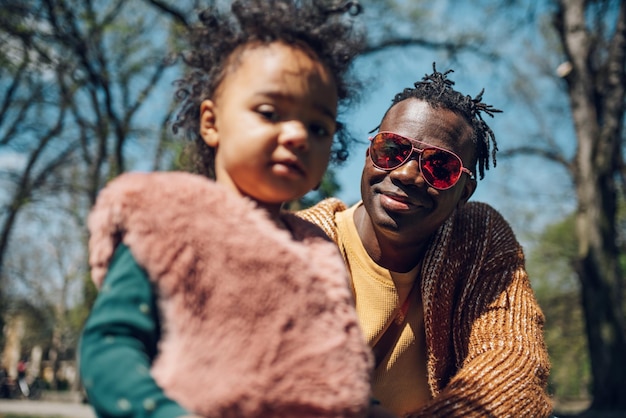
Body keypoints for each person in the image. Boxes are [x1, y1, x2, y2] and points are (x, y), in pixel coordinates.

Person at [79, 1, 381, 417]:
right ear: (212, 121)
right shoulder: (169, 220)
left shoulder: (320, 255)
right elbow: (111, 345)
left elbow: (338, 370)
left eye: (318, 127)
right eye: (270, 112)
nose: (297, 135)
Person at [298, 64, 553, 417]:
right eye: (392, 150)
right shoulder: (294, 245)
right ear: (369, 154)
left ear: (465, 191)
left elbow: (513, 368)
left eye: (440, 167)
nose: (405, 174)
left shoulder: (479, 241)